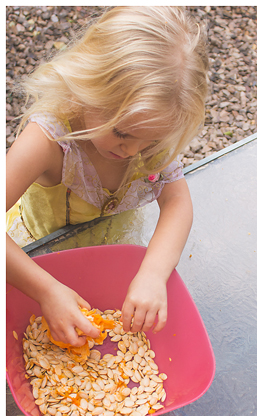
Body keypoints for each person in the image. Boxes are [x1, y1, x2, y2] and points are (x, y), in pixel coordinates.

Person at [6, 7, 209, 348]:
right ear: (86, 88)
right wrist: (46, 289)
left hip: (113, 260)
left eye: (153, 140)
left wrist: (152, 275)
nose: (134, 151)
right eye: (121, 133)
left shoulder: (148, 140)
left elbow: (177, 203)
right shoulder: (49, 140)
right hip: (33, 262)